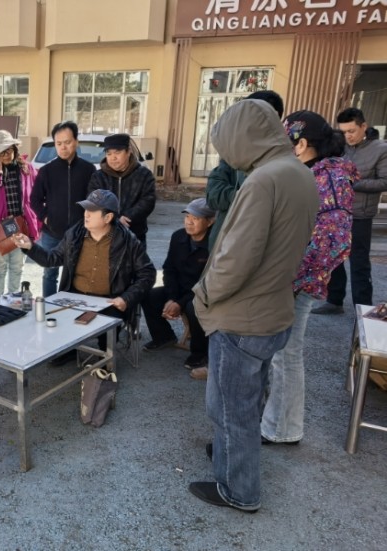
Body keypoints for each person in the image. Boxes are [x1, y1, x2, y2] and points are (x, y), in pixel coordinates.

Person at [189, 99, 319, 513]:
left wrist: (204, 295)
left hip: (242, 317)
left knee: (230, 408)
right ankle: (231, 459)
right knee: (246, 401)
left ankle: (239, 490)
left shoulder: (263, 180)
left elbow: (236, 258)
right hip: (273, 309)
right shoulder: (299, 172)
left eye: (226, 145)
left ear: (242, 137)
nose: (226, 156)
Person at [261, 111, 356, 445]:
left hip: (295, 282)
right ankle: (278, 421)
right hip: (290, 279)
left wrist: (292, 276)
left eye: (284, 143)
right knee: (280, 352)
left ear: (301, 145)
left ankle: (282, 429)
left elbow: (335, 240)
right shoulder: (313, 173)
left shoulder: (327, 178)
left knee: (286, 353)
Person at [13, 189, 156, 359]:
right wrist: (30, 247)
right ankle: (68, 349)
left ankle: (104, 357)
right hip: (74, 297)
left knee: (106, 346)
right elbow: (52, 259)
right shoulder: (75, 234)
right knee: (50, 328)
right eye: (86, 209)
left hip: (109, 301)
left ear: (108, 217)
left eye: (92, 211)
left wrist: (126, 298)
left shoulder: (128, 240)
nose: (86, 214)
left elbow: (147, 273)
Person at [312, 107, 387, 315]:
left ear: (364, 126)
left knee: (359, 263)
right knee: (333, 257)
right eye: (344, 131)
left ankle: (363, 309)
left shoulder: (381, 149)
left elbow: (384, 181)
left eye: (352, 131)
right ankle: (334, 301)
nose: (348, 136)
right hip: (335, 212)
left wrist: (352, 182)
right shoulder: (341, 146)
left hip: (360, 214)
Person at [140, 198, 214, 373]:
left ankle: (200, 353)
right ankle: (164, 336)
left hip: (203, 294)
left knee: (193, 308)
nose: (189, 222)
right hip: (178, 290)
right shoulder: (178, 236)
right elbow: (169, 269)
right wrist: (172, 298)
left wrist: (179, 303)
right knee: (148, 295)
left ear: (210, 222)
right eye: (187, 216)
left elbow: (206, 283)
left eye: (196, 218)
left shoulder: (214, 244)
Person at [205, 90, 284, 247]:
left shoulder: (282, 160)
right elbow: (213, 195)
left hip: (256, 245)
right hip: (224, 243)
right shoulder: (233, 154)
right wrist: (244, 196)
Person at [30, 121, 96, 298]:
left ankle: (72, 307)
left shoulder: (88, 169)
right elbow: (34, 199)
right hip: (52, 233)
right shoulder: (47, 171)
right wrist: (46, 218)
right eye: (59, 143)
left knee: (77, 274)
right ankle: (49, 307)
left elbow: (94, 200)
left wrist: (88, 224)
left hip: (80, 233)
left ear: (76, 142)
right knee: (50, 273)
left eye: (67, 142)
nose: (63, 147)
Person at [0, 130, 40, 298]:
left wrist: (37, 219)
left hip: (21, 226)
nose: (6, 155)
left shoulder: (27, 169)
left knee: (17, 267)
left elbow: (38, 194)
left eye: (9, 150)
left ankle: (13, 301)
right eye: (1, 152)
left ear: (15, 149)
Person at [87, 133, 156, 247]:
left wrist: (128, 217)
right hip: (105, 236)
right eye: (109, 154)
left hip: (135, 235)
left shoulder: (144, 174)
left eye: (117, 152)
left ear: (128, 152)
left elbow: (148, 200)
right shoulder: (98, 177)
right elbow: (93, 201)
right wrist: (115, 219)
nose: (113, 157)